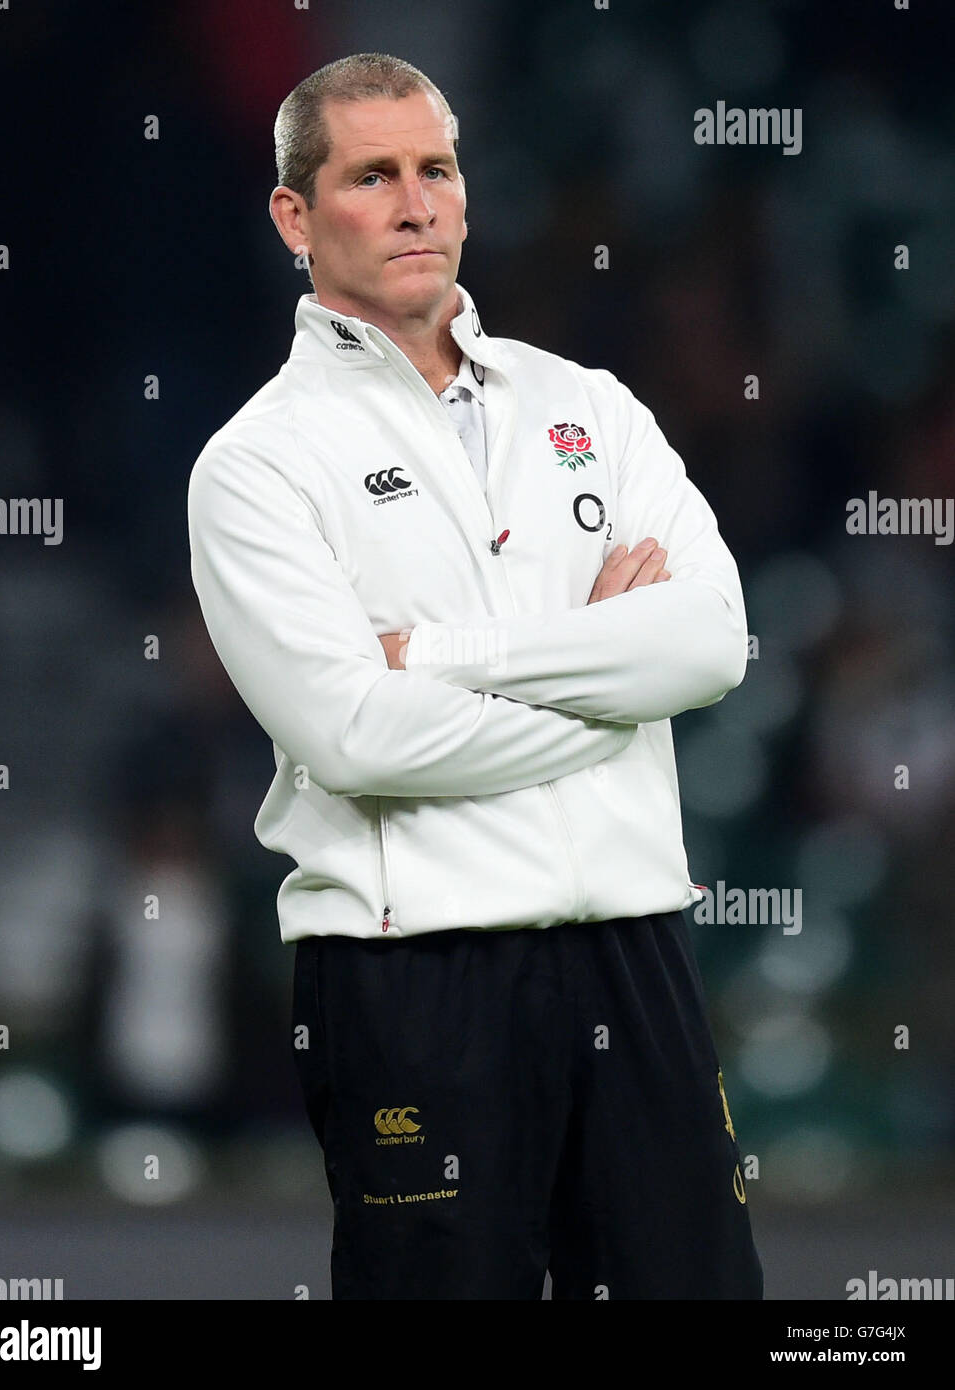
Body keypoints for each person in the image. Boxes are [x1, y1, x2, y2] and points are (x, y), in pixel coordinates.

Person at [187, 51, 764, 1301]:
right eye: (372, 175)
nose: (415, 202)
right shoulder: (256, 465)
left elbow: (713, 641)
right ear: (295, 216)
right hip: (412, 974)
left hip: (633, 943)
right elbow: (356, 738)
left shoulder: (592, 405)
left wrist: (452, 662)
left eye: (436, 168)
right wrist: (614, 697)